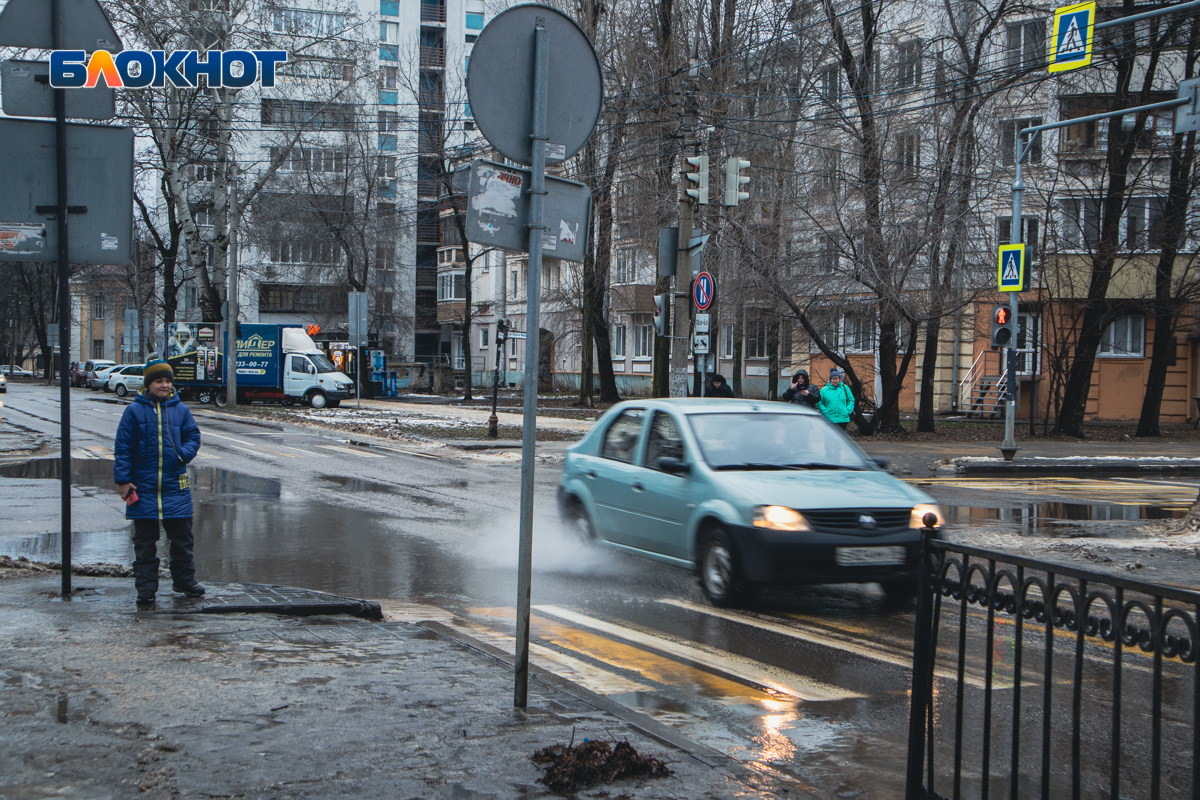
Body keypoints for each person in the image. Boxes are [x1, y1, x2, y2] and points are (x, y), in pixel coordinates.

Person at [113, 360, 204, 605]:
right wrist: (123, 481)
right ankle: (146, 588)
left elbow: (193, 436)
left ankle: (184, 581)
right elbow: (122, 448)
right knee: (144, 543)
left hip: (175, 487)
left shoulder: (180, 410)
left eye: (167, 381)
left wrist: (183, 454)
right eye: (159, 381)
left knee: (183, 540)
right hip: (143, 488)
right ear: (148, 384)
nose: (164, 385)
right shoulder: (134, 411)